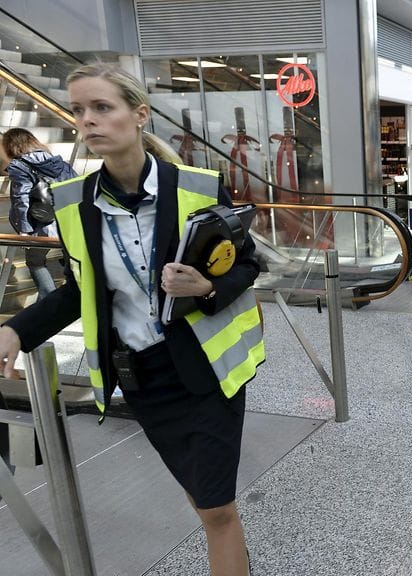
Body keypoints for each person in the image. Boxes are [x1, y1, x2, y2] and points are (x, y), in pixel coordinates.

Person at [0, 63, 264, 576]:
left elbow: (249, 263)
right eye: (78, 111)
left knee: (215, 508)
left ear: (139, 115)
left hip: (208, 369)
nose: (87, 121)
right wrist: (15, 328)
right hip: (141, 376)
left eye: (102, 107)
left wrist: (207, 287)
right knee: (199, 497)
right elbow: (81, 291)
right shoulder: (72, 203)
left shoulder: (199, 187)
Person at [3, 128, 77, 299]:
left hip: (41, 225)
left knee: (35, 261)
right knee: (71, 261)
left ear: (11, 146)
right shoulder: (56, 162)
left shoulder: (19, 166)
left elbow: (21, 198)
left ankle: (49, 300)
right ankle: (69, 298)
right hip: (66, 222)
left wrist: (25, 230)